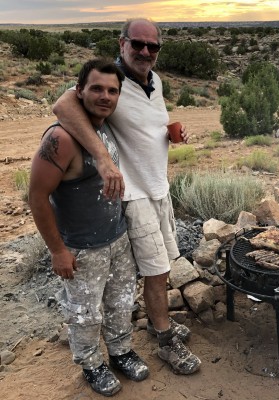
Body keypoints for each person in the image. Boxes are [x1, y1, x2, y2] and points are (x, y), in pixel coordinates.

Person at [53, 19, 201, 375]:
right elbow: (62, 106)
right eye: (138, 44)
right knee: (156, 269)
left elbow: (144, 125)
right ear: (122, 43)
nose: (146, 52)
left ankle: (155, 322)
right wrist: (104, 159)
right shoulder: (112, 82)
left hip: (158, 187)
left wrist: (169, 132)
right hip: (133, 194)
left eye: (153, 47)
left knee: (162, 264)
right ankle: (165, 340)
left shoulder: (155, 81)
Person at [29, 59, 150, 397]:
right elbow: (37, 197)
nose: (105, 96)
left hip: (116, 238)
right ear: (78, 90)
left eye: (112, 91)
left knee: (121, 302)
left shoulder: (103, 126)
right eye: (96, 88)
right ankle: (91, 364)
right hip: (82, 248)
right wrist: (57, 250)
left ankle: (120, 351)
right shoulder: (61, 138)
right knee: (84, 314)